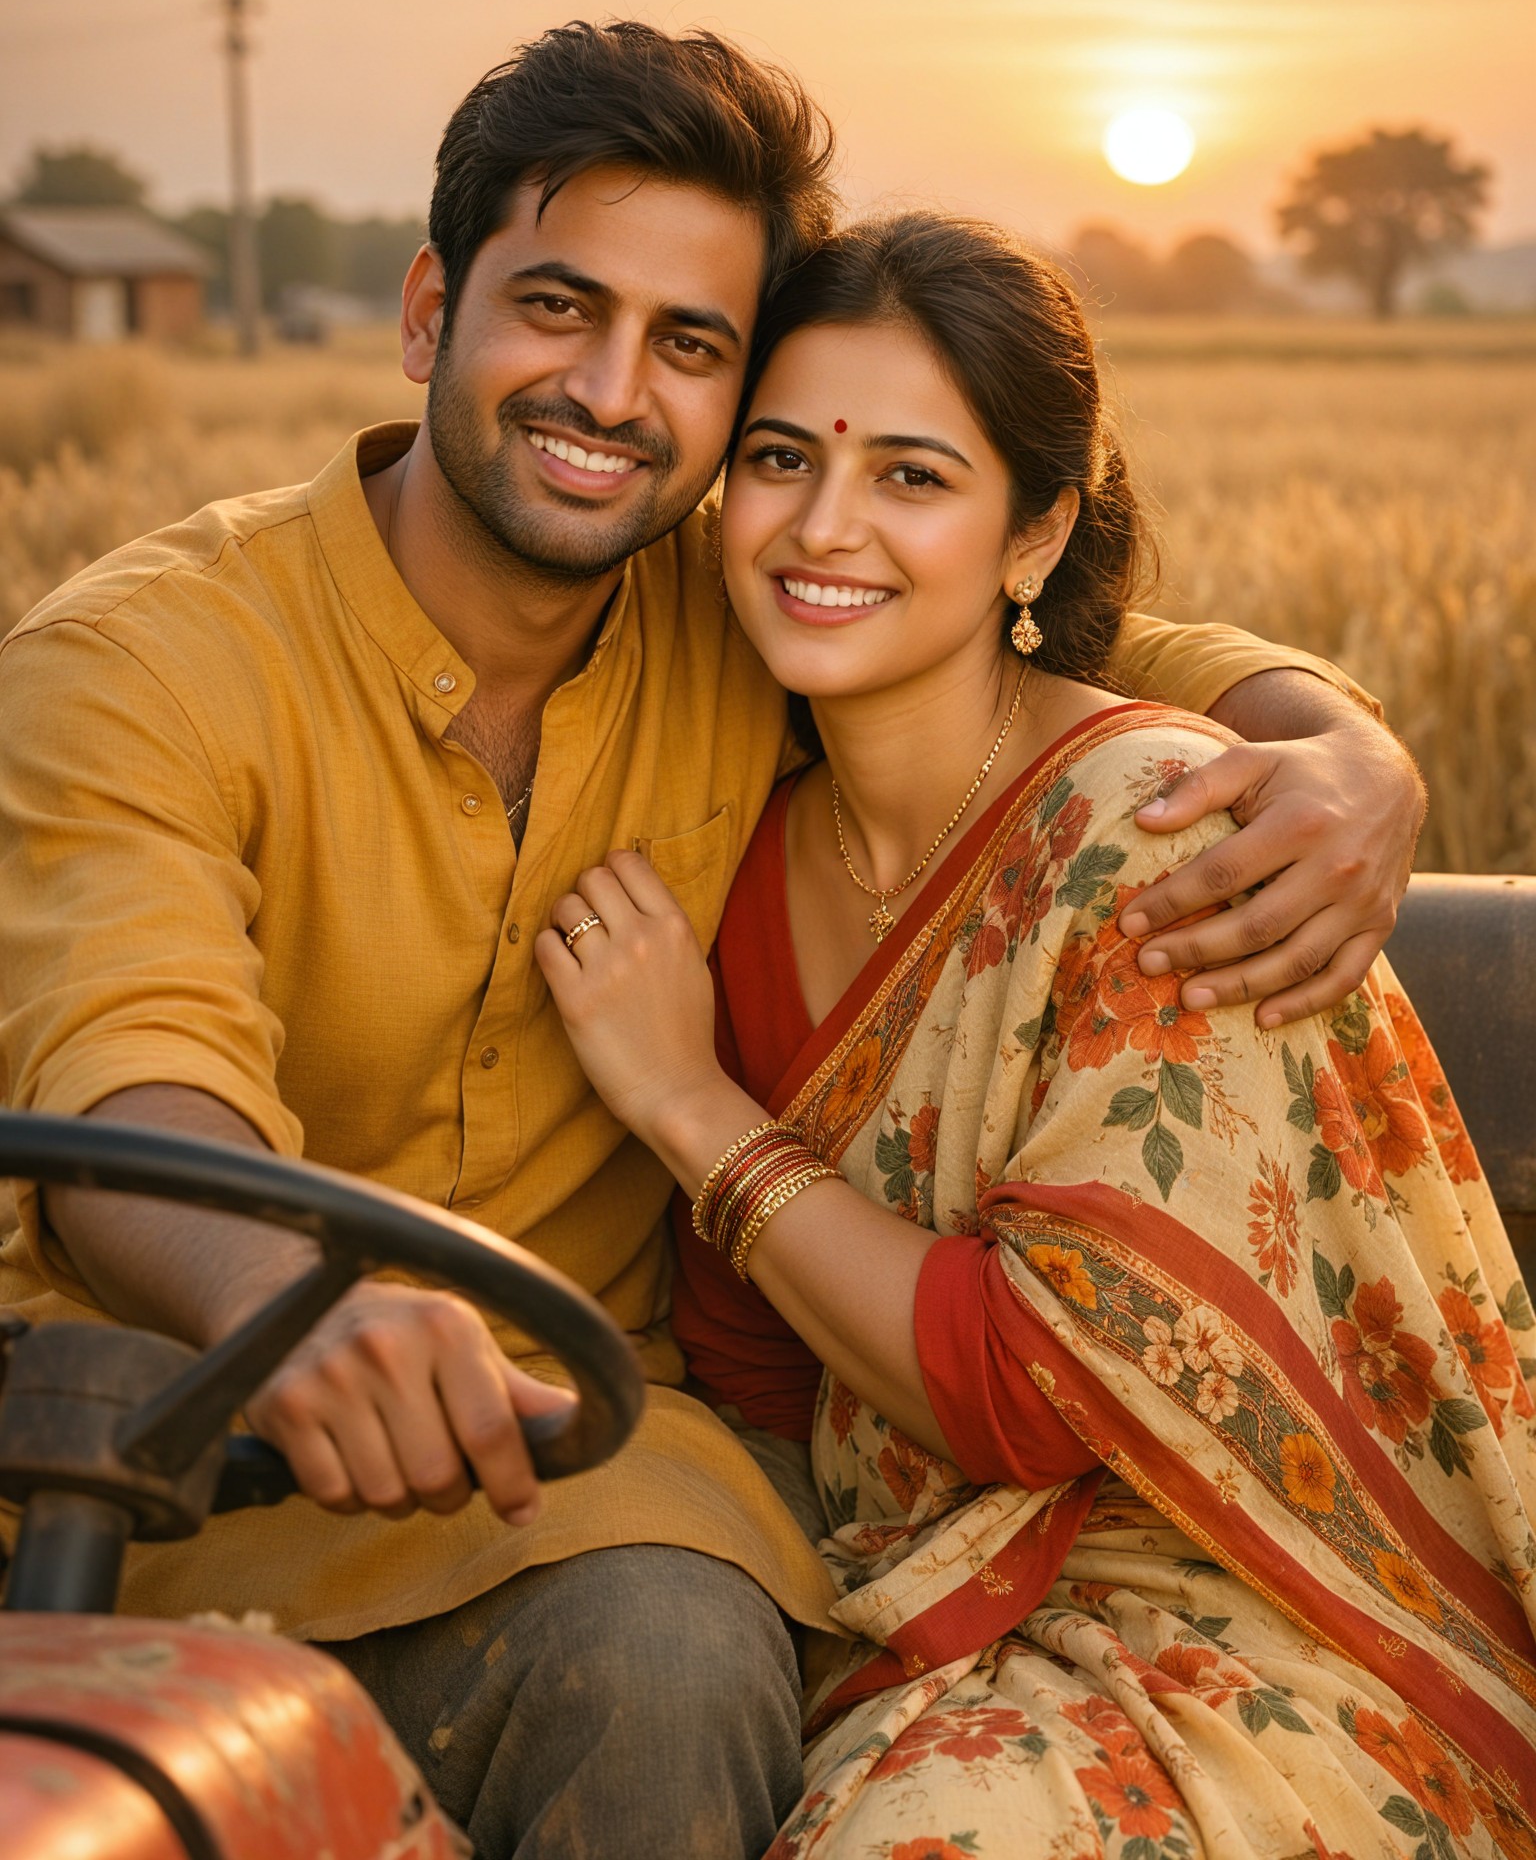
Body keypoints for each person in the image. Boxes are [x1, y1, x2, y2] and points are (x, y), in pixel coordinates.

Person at [0, 22, 1423, 1860]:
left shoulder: (737, 591)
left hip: (583, 1480)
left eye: (688, 348)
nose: (609, 391)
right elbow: (134, 1079)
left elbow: (1026, 622)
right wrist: (296, 1304)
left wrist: (1339, 737)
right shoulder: (136, 671)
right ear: (432, 311)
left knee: (667, 1663)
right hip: (176, 1468)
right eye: (558, 307)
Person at [537, 211, 1536, 1858]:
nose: (823, 527)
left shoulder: (1152, 830)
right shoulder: (743, 852)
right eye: (781, 459)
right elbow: (761, 1367)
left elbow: (1033, 1392)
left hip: (1251, 1604)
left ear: (1035, 533)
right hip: (917, 1596)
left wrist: (683, 1101)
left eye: (914, 478)